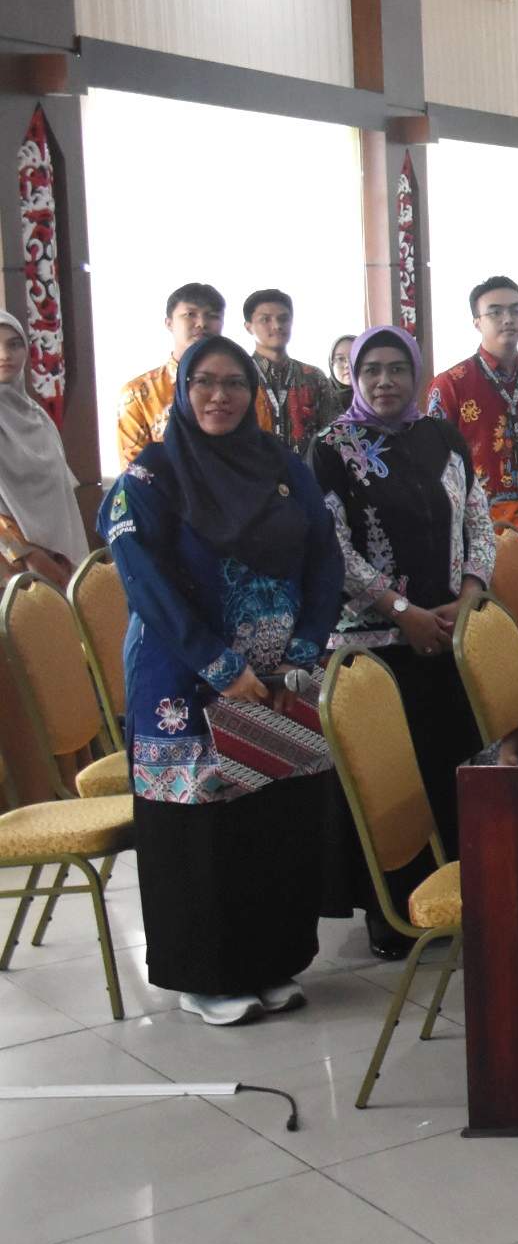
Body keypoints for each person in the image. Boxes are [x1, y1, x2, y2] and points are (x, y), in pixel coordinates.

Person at [100, 334, 343, 1026]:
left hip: (278, 681)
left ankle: (268, 961)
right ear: (182, 389)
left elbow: (323, 557)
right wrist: (219, 664)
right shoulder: (152, 478)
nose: (219, 395)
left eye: (234, 382)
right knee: (201, 829)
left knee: (270, 819)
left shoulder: (281, 467)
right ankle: (206, 975)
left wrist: (302, 647)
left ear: (252, 393)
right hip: (185, 681)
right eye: (204, 381)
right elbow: (145, 581)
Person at [311, 327, 498, 957]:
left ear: (416, 374)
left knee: (450, 762)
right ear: (354, 378)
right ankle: (391, 915)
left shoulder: (440, 436)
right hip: (373, 643)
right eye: (372, 371)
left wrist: (470, 593)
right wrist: (401, 609)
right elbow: (330, 546)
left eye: (397, 369)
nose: (385, 381)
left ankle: (459, 894)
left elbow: (478, 515)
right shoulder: (331, 447)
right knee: (388, 778)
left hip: (447, 630)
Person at [426, 275, 518, 546]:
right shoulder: (450, 384)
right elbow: (435, 461)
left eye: (516, 310)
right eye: (495, 312)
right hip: (481, 530)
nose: (508, 318)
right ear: (476, 321)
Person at [0, 311, 86, 590]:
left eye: (14, 344)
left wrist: (57, 559)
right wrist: (27, 554)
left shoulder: (38, 418)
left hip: (57, 562)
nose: (5, 354)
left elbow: (62, 496)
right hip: (9, 568)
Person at [116, 282, 225, 468]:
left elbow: (259, 457)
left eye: (212, 316)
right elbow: (134, 473)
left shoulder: (243, 388)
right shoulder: (138, 394)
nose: (202, 323)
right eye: (190, 314)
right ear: (169, 323)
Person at [240, 288, 341, 447]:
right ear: (248, 327)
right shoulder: (239, 376)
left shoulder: (313, 376)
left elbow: (336, 433)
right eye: (265, 319)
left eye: (283, 318)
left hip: (307, 470)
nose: (277, 326)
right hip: (252, 469)